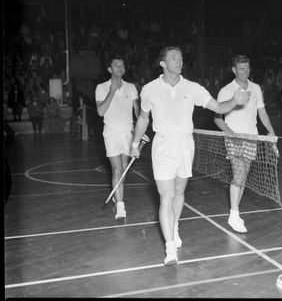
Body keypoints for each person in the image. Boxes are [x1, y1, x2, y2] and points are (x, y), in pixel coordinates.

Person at [130, 46, 250, 266]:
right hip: (163, 145)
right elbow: (143, 119)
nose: (179, 61)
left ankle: (174, 227)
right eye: (173, 58)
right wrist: (135, 143)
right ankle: (169, 249)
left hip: (186, 144)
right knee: (166, 196)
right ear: (163, 64)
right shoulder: (149, 89)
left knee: (179, 192)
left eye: (181, 58)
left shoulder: (193, 88)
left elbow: (218, 106)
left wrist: (235, 101)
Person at [213, 54, 276, 233]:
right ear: (234, 70)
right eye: (241, 68)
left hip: (252, 137)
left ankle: (235, 212)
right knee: (239, 174)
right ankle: (234, 214)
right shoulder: (226, 91)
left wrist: (270, 131)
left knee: (243, 176)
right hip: (234, 138)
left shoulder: (256, 88)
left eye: (247, 68)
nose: (245, 71)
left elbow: (262, 113)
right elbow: (217, 119)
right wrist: (232, 135)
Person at [95, 58, 140, 220]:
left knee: (123, 168)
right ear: (109, 69)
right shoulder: (101, 88)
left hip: (127, 132)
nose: (120, 67)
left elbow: (137, 111)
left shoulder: (131, 87)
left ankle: (117, 193)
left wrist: (140, 131)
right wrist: (112, 91)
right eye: (116, 65)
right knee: (117, 169)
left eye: (122, 65)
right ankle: (121, 206)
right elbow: (100, 112)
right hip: (111, 132)